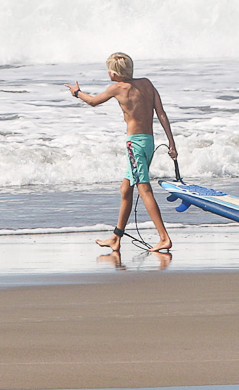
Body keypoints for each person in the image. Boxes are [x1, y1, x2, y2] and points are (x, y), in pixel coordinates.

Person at [64, 53, 177, 254]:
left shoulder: (117, 88)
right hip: (149, 143)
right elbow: (161, 113)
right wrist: (171, 143)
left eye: (109, 69)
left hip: (134, 145)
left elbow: (92, 101)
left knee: (144, 190)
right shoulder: (146, 84)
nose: (108, 72)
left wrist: (76, 92)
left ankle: (164, 237)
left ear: (115, 72)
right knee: (126, 189)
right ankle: (116, 237)